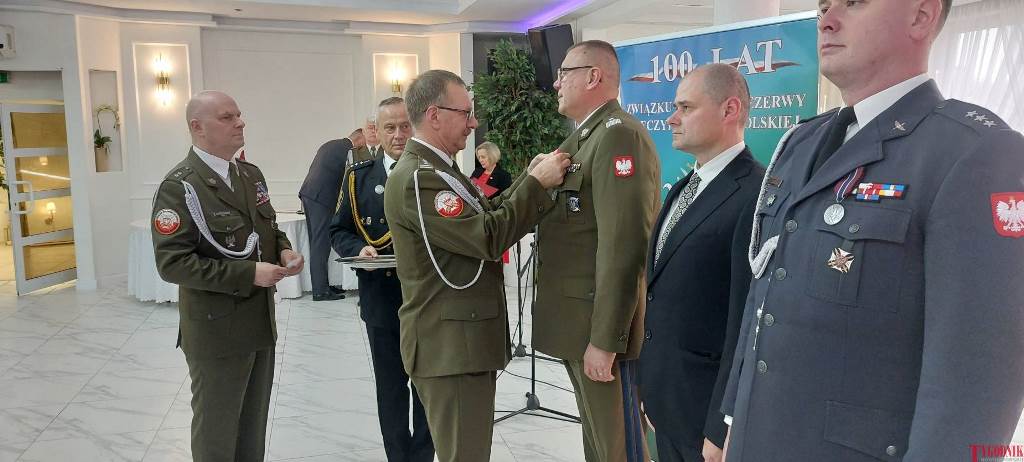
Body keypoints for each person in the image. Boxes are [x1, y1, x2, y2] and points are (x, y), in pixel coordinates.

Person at [721, 1, 1024, 461]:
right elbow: (764, 296)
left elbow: (976, 378)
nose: (827, 20)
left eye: (854, 2)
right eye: (823, 7)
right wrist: (732, 419)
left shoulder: (973, 153)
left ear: (921, 16)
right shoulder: (801, 141)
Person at [383, 69, 570, 461]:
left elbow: (485, 213)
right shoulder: (420, 178)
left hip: (461, 342)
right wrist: (536, 186)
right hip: (450, 346)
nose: (473, 122)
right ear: (434, 115)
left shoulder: (441, 168)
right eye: (465, 113)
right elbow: (485, 237)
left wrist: (527, 179)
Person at [151, 90, 304, 462]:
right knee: (217, 432)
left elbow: (267, 228)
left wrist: (284, 250)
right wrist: (248, 274)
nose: (240, 122)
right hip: (216, 329)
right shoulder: (180, 187)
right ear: (198, 127)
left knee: (252, 428)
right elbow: (173, 264)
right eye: (227, 117)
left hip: (258, 322)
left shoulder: (249, 174)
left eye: (238, 115)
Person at [532, 40, 661, 462]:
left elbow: (624, 246)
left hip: (600, 329)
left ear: (593, 77)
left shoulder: (617, 136)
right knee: (600, 445)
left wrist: (606, 340)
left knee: (619, 447)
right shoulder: (587, 138)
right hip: (580, 322)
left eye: (564, 74)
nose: (556, 84)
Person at [638, 63, 764, 462]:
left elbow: (746, 322)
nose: (672, 119)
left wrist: (722, 424)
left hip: (706, 411)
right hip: (668, 400)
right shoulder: (684, 187)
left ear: (729, 110)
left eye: (686, 107)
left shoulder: (756, 194)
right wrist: (651, 387)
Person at [328, 97, 434, 462]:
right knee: (391, 389)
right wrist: (359, 248)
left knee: (427, 386)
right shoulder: (359, 178)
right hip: (381, 299)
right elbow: (338, 230)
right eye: (390, 127)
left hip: (427, 299)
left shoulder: (431, 173)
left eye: (405, 126)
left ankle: (423, 456)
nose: (399, 134)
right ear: (376, 131)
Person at [299, 128, 366, 301]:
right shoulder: (349, 150)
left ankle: (322, 285)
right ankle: (320, 291)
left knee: (317, 243)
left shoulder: (331, 145)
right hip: (323, 199)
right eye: (364, 142)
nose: (364, 147)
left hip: (310, 194)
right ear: (359, 139)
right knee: (321, 244)